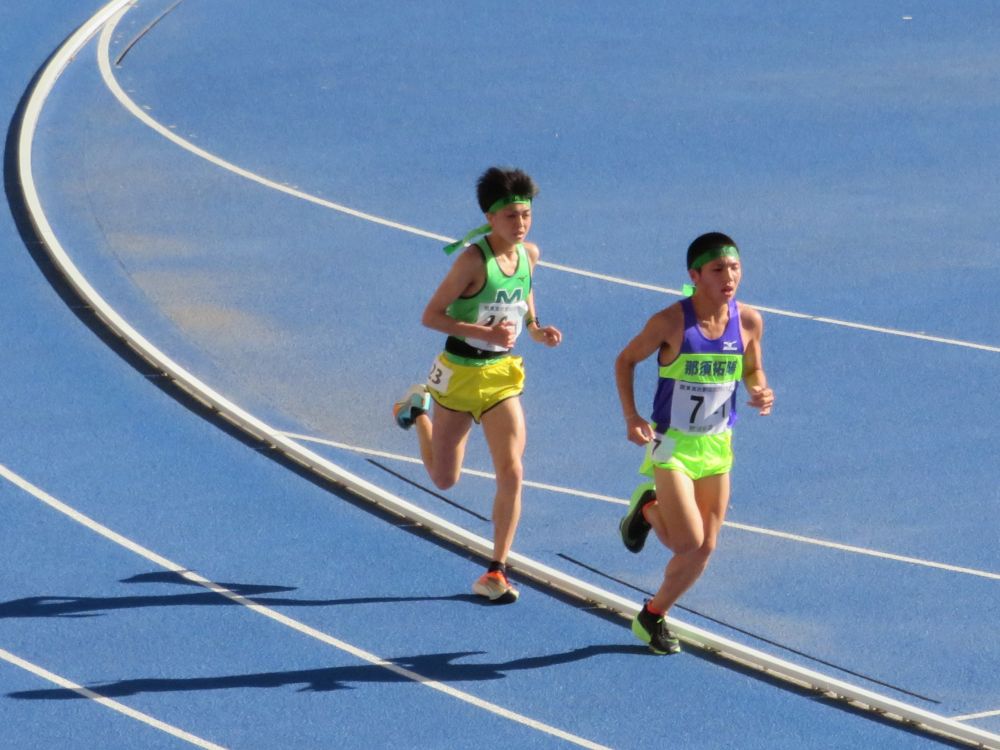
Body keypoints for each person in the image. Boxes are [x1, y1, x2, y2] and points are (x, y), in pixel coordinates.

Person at [393, 166, 562, 603]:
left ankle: (497, 569)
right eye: (511, 217)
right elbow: (430, 316)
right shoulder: (471, 261)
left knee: (512, 469)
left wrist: (536, 327)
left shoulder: (530, 254)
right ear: (490, 217)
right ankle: (418, 412)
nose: (521, 224)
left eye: (526, 215)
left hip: (501, 376)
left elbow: (523, 292)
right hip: (460, 373)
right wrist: (484, 332)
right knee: (444, 478)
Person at [614, 232, 774, 653]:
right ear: (695, 275)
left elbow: (753, 370)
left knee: (705, 547)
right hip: (674, 445)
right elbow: (626, 360)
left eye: (735, 267)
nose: (729, 276)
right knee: (685, 541)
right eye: (718, 269)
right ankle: (647, 507)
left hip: (717, 445)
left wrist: (760, 389)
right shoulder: (670, 322)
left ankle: (652, 616)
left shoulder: (748, 322)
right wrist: (632, 417)